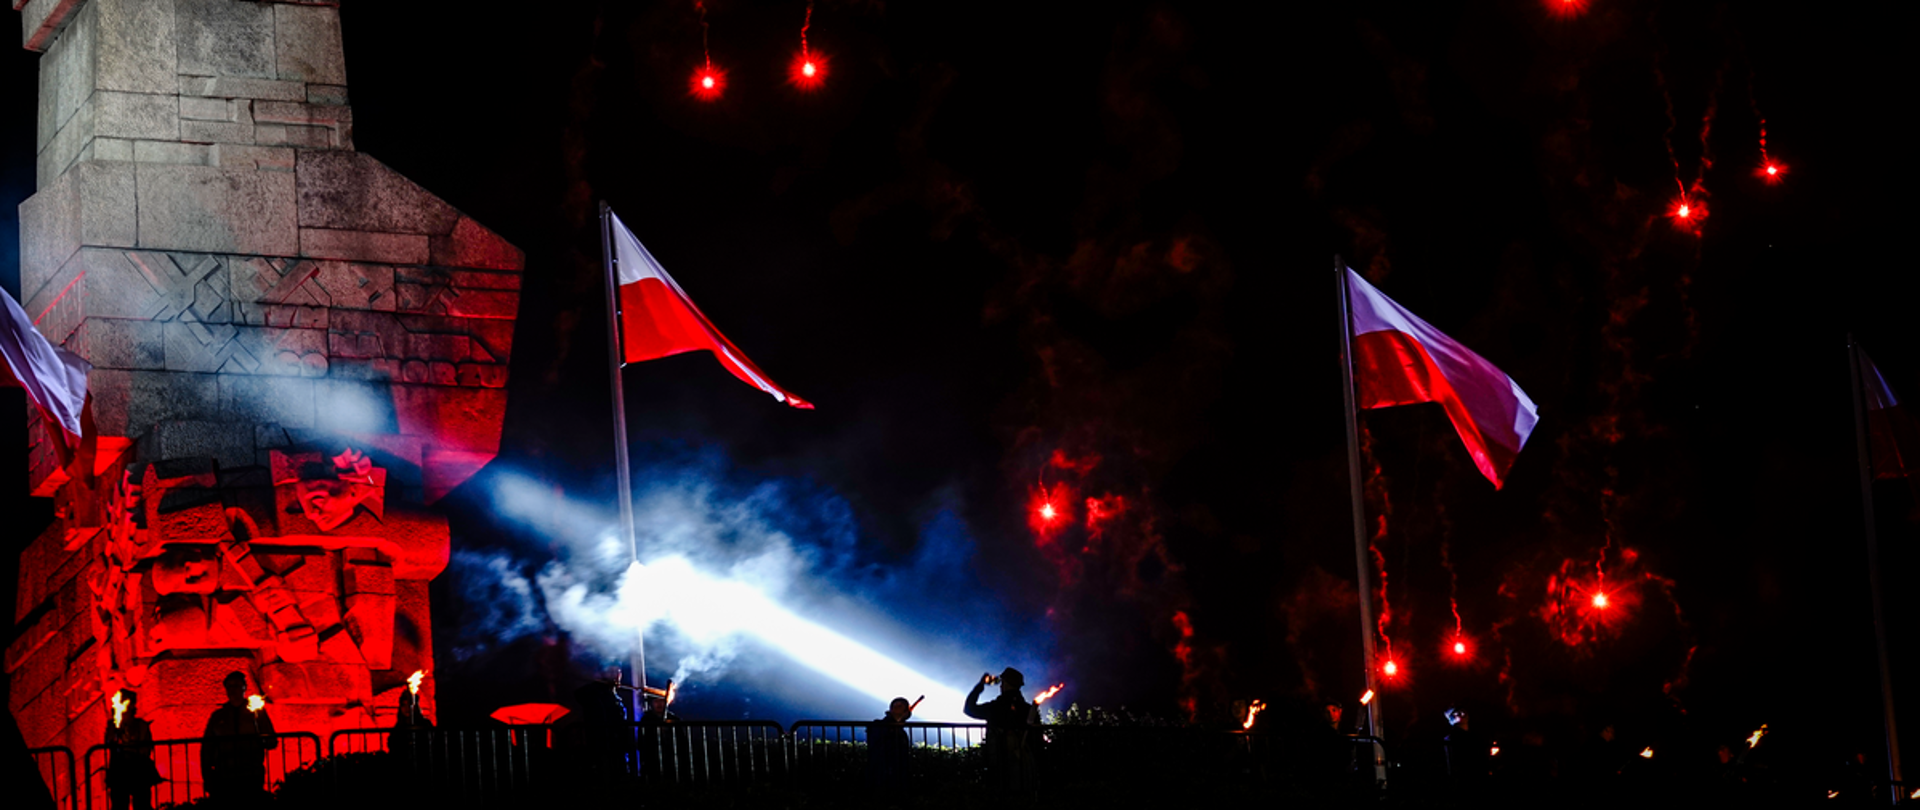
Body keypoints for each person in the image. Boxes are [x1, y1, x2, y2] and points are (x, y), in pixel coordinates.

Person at [200, 672, 277, 804]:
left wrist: (259, 733)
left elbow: (271, 741)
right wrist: (208, 777)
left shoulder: (257, 712)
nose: (232, 689)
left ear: (244, 687)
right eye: (229, 686)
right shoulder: (218, 716)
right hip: (224, 776)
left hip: (251, 774)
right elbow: (207, 748)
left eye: (236, 685)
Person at [963, 668, 1039, 798]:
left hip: (998, 762)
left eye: (1003, 682)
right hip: (1024, 765)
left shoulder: (996, 707)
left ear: (1006, 683)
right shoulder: (1028, 710)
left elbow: (969, 709)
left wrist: (980, 686)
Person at [103, 690, 161, 810]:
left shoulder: (141, 726)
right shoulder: (113, 725)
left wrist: (132, 750)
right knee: (120, 805)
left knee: (142, 804)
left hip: (139, 771)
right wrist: (115, 733)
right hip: (120, 772)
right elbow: (109, 743)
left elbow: (146, 749)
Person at [868, 697, 914, 797]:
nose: (896, 708)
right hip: (883, 768)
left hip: (894, 770)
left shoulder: (899, 731)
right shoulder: (879, 726)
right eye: (895, 706)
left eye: (900, 706)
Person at [1441, 706, 1491, 799]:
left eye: (1464, 712)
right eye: (1458, 713)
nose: (1463, 714)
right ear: (1451, 718)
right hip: (1464, 780)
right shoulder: (1451, 739)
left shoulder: (1473, 736)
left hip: (1476, 779)